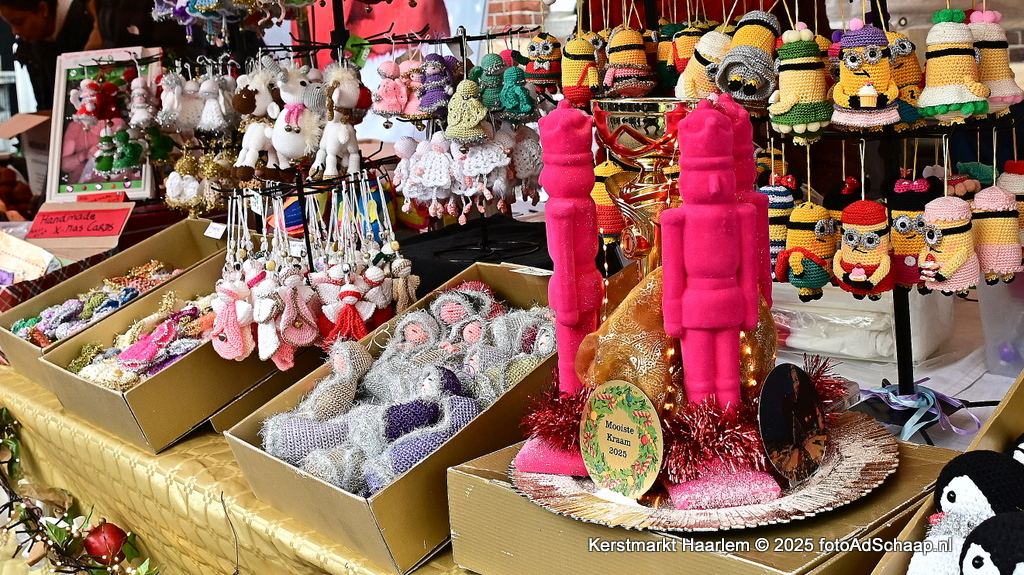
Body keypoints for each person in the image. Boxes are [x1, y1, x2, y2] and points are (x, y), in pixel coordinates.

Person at [0, 0, 94, 109]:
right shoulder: (29, 43)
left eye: (19, 22)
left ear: (43, 9)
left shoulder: (85, 22)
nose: (15, 31)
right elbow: (43, 104)